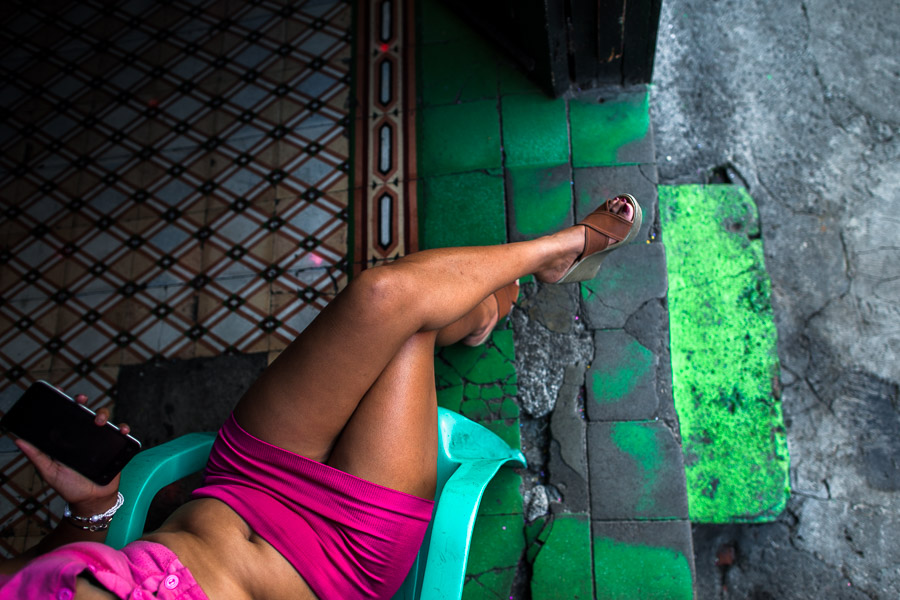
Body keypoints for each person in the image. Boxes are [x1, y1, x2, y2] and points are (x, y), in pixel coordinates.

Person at [0, 195, 641, 599]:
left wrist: (92, 507)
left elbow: (38, 572)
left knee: (382, 297)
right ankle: (533, 274)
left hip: (241, 482)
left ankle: (535, 267)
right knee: (407, 334)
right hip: (335, 562)